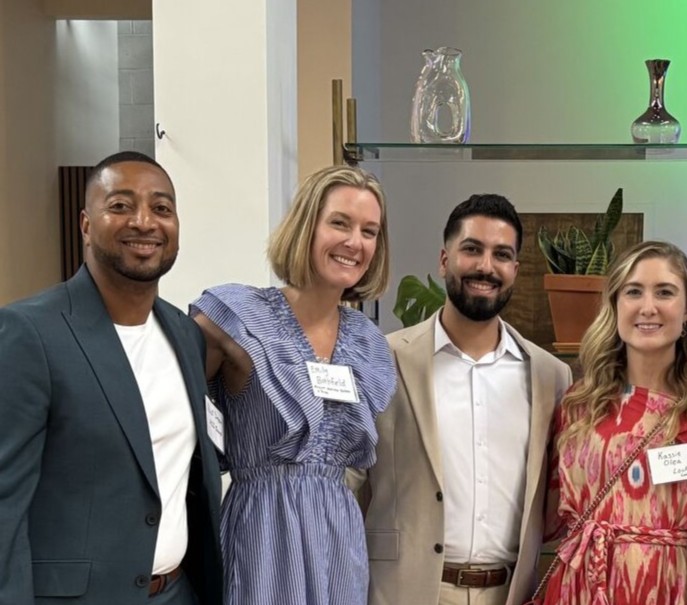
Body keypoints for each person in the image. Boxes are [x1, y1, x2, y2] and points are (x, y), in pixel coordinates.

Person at [0, 151, 223, 604]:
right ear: (86, 224)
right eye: (120, 205)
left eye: (161, 208)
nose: (144, 221)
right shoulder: (30, 333)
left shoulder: (185, 334)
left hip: (177, 591)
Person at [349, 194, 572, 605]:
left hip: (511, 593)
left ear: (515, 269)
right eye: (472, 249)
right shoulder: (385, 358)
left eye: (501, 255)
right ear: (444, 259)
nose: (486, 266)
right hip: (404, 592)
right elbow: (349, 483)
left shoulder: (551, 376)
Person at [190, 164, 395, 605]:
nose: (354, 242)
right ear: (306, 226)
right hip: (262, 532)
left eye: (369, 231)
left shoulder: (367, 343)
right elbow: (176, 428)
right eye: (339, 223)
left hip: (338, 539)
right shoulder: (236, 317)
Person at [544, 241, 687, 605]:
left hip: (672, 588)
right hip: (581, 588)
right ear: (615, 305)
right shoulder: (578, 406)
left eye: (665, 292)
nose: (648, 307)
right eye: (633, 291)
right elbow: (547, 518)